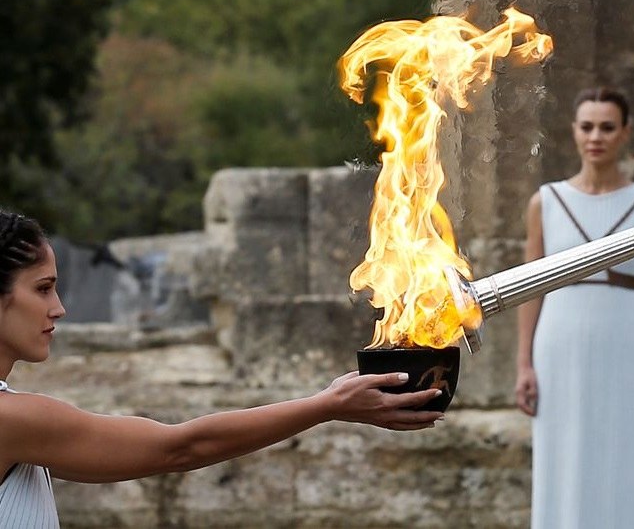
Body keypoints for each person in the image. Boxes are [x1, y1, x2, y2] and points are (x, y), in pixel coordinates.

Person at [0, 210, 442, 527]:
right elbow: (180, 448)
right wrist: (326, 405)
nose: (58, 308)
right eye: (42, 289)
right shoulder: (15, 421)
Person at [515, 87, 634, 529]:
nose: (596, 136)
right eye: (587, 127)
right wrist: (524, 363)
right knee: (561, 454)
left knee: (626, 451)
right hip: (559, 343)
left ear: (625, 133)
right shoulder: (546, 201)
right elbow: (531, 288)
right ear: (574, 132)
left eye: (607, 127)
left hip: (628, 342)